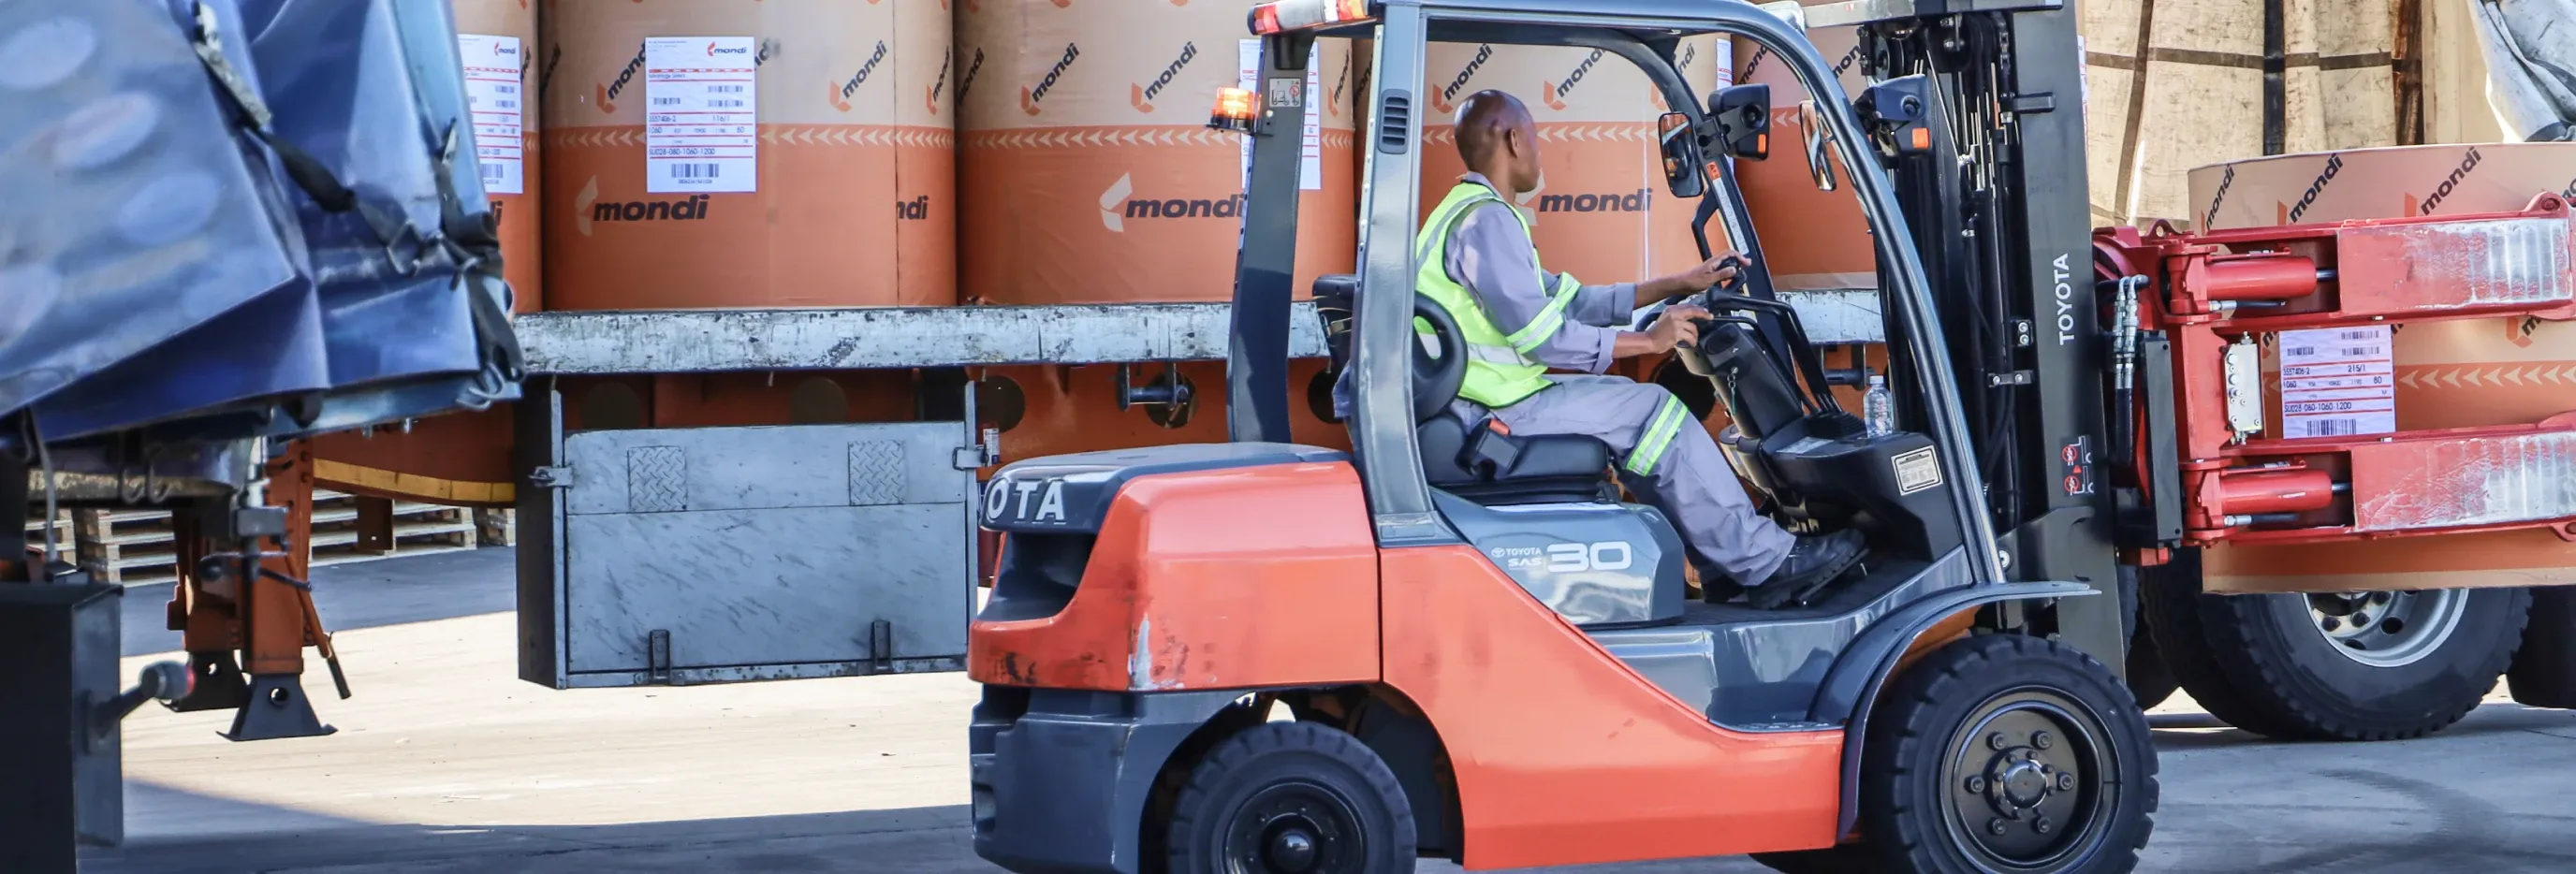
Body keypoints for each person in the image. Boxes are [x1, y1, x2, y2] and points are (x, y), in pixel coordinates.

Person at [1337, 89, 1865, 608]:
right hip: (1485, 412)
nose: (1540, 154)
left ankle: (1722, 565)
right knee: (1653, 412)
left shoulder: (1468, 214)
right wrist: (1650, 340)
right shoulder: (1487, 222)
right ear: (1514, 141)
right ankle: (1764, 564)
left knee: (1638, 422)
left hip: (1479, 400)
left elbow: (1570, 301)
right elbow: (1544, 339)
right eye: (1536, 139)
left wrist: (1680, 282)